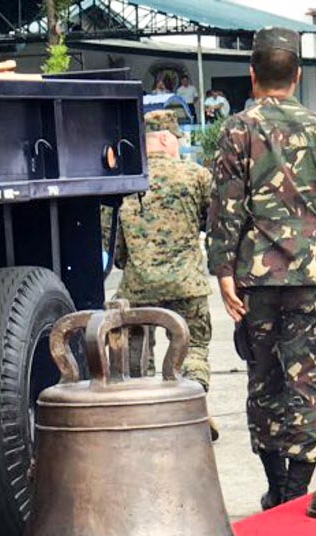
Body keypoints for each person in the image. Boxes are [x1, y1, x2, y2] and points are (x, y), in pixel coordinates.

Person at [208, 26, 316, 507]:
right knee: (307, 381)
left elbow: (225, 206)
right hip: (312, 276)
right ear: (297, 76)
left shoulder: (237, 129)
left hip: (257, 278)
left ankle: (276, 488)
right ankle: (296, 491)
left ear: (253, 76)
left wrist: (223, 271)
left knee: (265, 379)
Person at [112, 108, 216, 433]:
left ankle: (144, 417)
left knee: (137, 349)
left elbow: (113, 245)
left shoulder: (125, 182)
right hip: (188, 285)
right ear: (167, 138)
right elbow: (211, 223)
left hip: (138, 286)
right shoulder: (197, 176)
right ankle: (192, 409)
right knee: (193, 346)